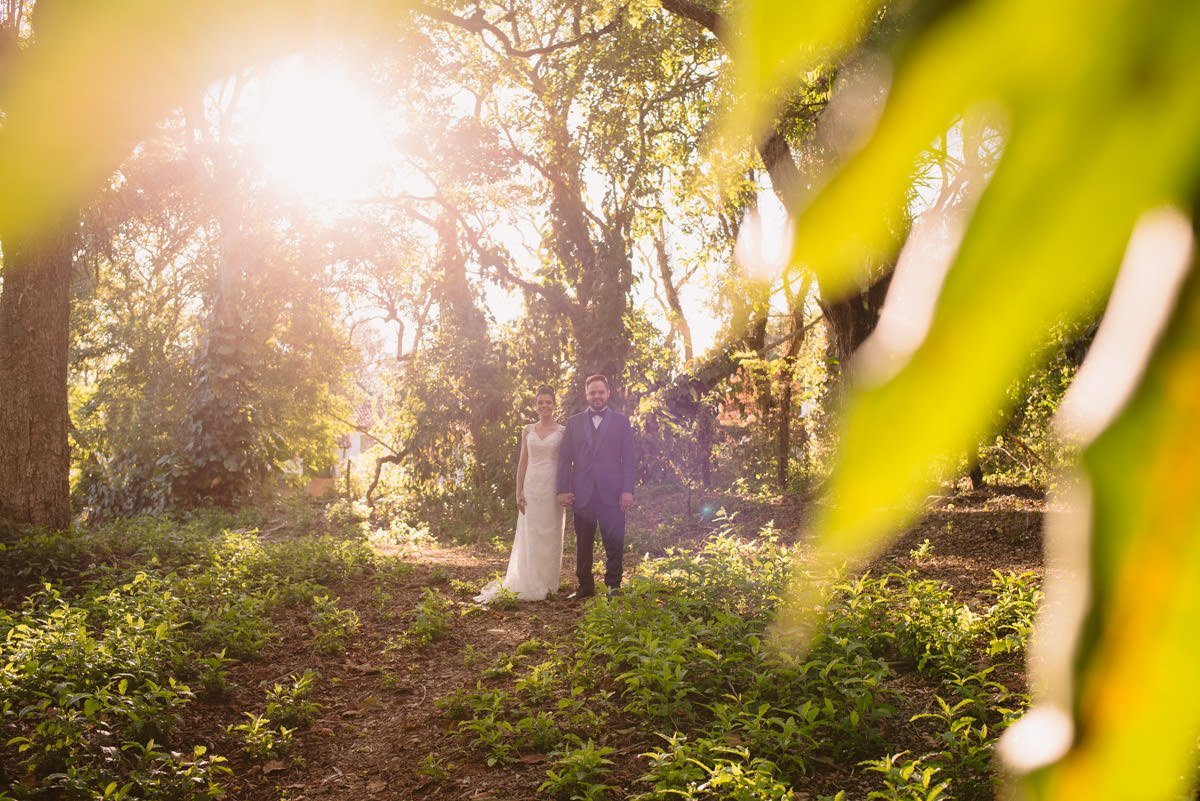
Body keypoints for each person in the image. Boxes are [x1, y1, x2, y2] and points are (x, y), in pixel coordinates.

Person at [475, 386, 566, 603]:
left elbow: (566, 463)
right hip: (532, 486)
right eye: (540, 402)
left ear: (554, 405)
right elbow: (523, 462)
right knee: (531, 533)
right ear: (535, 406)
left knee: (551, 534)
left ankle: (548, 583)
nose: (544, 406)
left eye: (548, 402)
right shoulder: (527, 430)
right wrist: (518, 491)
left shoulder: (563, 431)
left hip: (553, 487)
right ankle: (529, 580)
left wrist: (565, 489)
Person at [556, 374, 636, 599]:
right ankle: (584, 586)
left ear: (608, 393)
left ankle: (613, 586)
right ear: (586, 394)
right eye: (592, 392)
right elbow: (565, 458)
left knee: (614, 540)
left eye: (601, 392)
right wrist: (563, 489)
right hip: (582, 492)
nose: (597, 396)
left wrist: (627, 490)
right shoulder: (573, 423)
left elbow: (628, 458)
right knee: (583, 543)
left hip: (613, 493)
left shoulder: (621, 422)